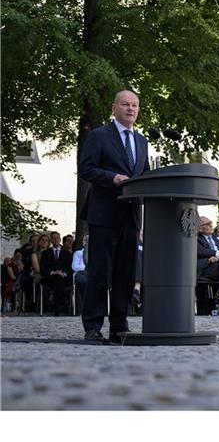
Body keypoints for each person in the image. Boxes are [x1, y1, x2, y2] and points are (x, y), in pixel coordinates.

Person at [78, 89, 150, 342]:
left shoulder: (142, 141)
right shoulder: (99, 136)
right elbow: (86, 169)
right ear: (114, 108)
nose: (131, 109)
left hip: (130, 216)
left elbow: (145, 176)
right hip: (104, 213)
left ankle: (119, 325)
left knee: (126, 274)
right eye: (125, 104)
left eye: (135, 105)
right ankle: (93, 326)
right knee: (99, 272)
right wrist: (112, 177)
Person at [40, 231, 73, 315]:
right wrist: (53, 272)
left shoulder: (67, 254)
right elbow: (43, 268)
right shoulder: (45, 253)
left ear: (60, 239)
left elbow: (70, 269)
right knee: (57, 279)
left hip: (64, 277)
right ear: (51, 240)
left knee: (59, 279)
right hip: (50, 277)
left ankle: (56, 305)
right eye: (53, 238)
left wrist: (63, 273)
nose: (56, 240)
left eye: (57, 238)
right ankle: (62, 304)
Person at [71, 235, 88, 313]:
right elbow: (74, 267)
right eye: (85, 240)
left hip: (93, 274)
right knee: (83, 281)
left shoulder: (97, 253)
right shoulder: (78, 253)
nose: (87, 242)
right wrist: (86, 268)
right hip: (81, 273)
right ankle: (86, 306)